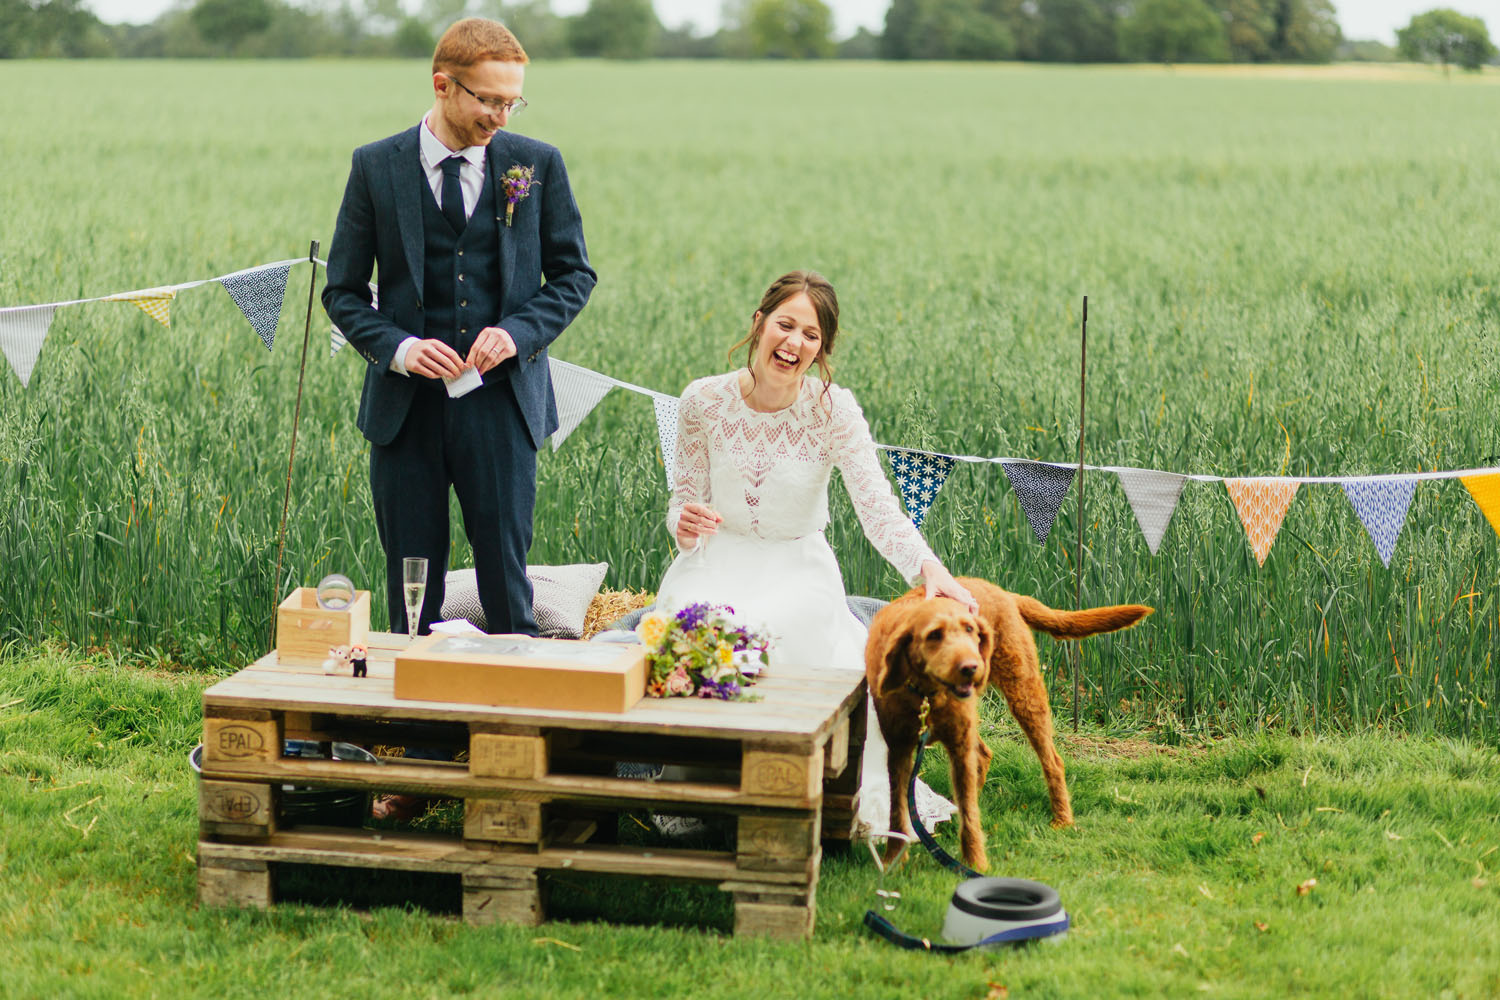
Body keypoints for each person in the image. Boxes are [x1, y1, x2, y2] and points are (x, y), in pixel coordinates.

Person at [654, 270, 977, 835]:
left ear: (821, 348)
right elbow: (685, 508)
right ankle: (709, 788)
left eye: (811, 334)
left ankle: (781, 788)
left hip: (797, 565)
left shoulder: (833, 410)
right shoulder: (701, 400)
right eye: (786, 325)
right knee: (693, 630)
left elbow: (876, 506)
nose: (794, 343)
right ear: (759, 324)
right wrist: (682, 524)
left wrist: (928, 568)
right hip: (714, 561)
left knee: (775, 629)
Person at [322, 17, 595, 640]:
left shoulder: (535, 165)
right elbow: (340, 290)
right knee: (412, 582)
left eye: (512, 101)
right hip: (404, 412)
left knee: (505, 573)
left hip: (503, 408)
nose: (502, 116)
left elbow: (575, 276)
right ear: (443, 85)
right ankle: (416, 729)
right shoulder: (375, 167)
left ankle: (511, 719)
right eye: (490, 100)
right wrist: (400, 348)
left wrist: (519, 333)